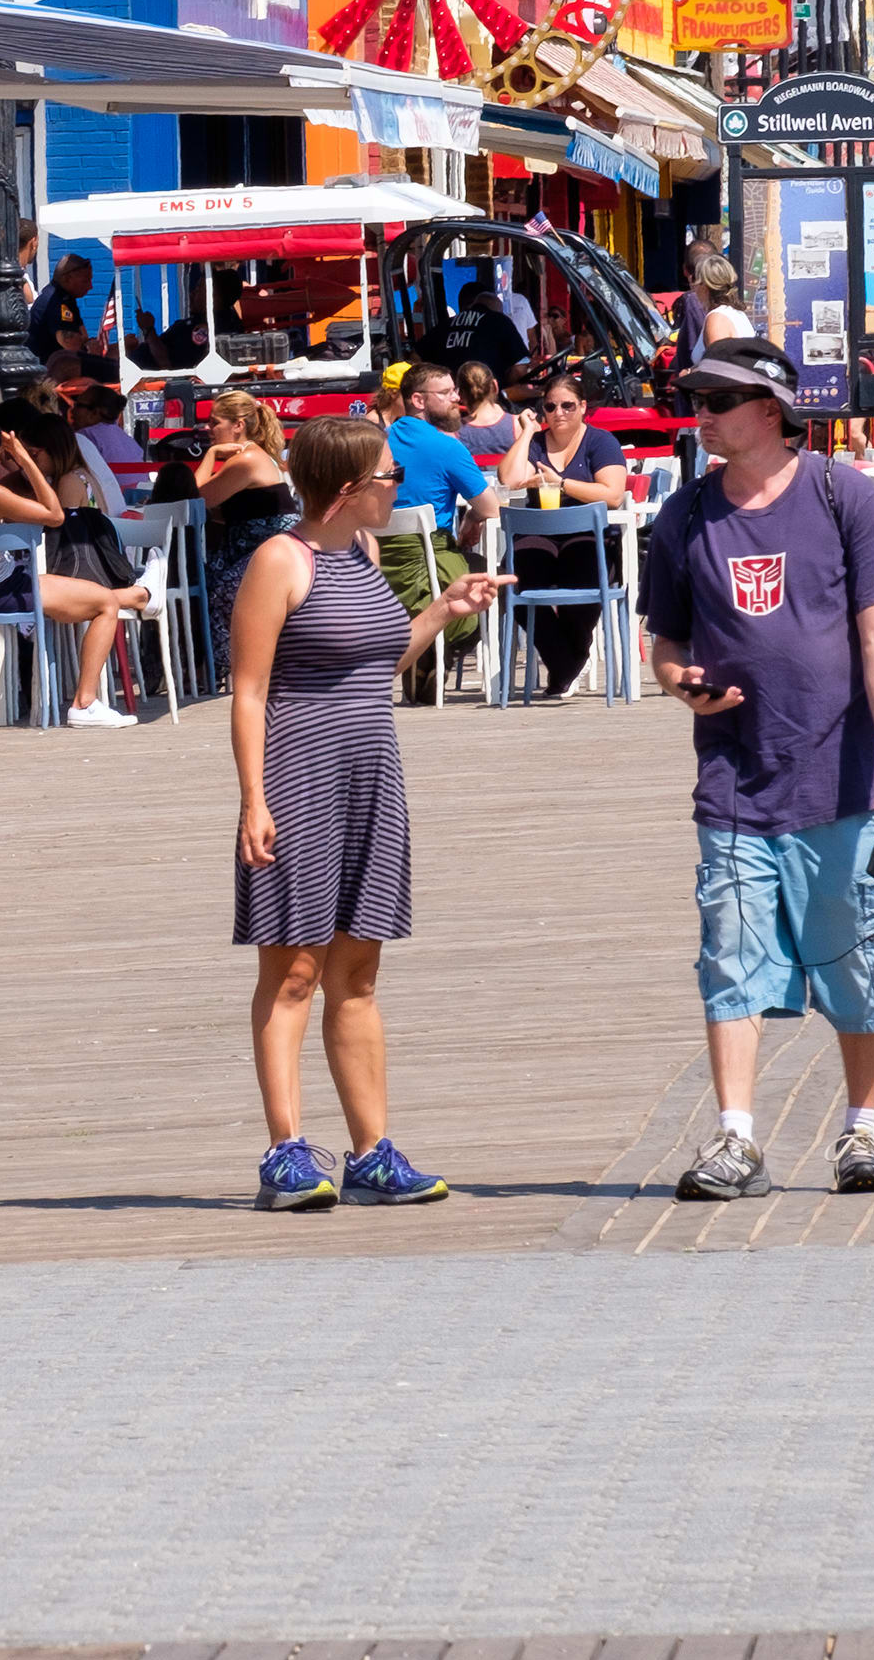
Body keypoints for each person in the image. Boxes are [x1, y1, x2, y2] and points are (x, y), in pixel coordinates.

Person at [641, 340, 874, 1203]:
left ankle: (862, 1133)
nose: (704, 413)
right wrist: (679, 684)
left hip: (838, 775)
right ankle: (736, 1139)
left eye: (721, 399)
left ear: (770, 409)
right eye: (698, 397)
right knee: (730, 954)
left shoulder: (843, 495)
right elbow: (665, 642)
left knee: (859, 955)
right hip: (733, 777)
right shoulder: (684, 517)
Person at [227, 414, 504, 1211]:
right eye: (388, 475)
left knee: (357, 971)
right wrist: (254, 798)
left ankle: (371, 1152)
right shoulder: (282, 559)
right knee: (293, 971)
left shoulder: (365, 553)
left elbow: (377, 657)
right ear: (347, 488)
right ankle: (284, 1150)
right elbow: (247, 690)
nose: (398, 486)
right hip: (297, 778)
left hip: (371, 779)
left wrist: (444, 609)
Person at [0, 417, 148, 726]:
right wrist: (26, 460)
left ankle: (137, 595)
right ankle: (84, 703)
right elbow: (55, 515)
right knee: (105, 603)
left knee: (65, 590)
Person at [512, 375, 636, 701]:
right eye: (550, 406)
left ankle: (565, 666)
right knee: (510, 581)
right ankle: (566, 663)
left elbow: (612, 494)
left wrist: (561, 483)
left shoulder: (600, 442)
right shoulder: (536, 443)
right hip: (540, 535)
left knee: (583, 586)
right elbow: (510, 478)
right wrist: (526, 433)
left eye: (567, 405)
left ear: (583, 407)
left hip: (588, 536)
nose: (558, 413)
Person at [379, 363, 496, 695]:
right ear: (418, 399)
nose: (457, 398)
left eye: (455, 391)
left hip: (379, 576)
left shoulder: (377, 442)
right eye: (445, 393)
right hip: (433, 569)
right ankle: (434, 650)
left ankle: (426, 653)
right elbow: (491, 508)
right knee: (491, 580)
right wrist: (472, 518)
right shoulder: (447, 447)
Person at [195, 391, 299, 665]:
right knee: (199, 579)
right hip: (258, 550)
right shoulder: (256, 456)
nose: (208, 429)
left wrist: (212, 454)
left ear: (238, 425)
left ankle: (221, 663)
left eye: (214, 422)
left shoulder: (247, 461)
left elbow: (195, 499)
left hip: (266, 556)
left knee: (208, 587)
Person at [26, 251, 99, 367]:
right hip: (47, 373)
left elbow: (83, 335)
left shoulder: (66, 298)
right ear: (68, 279)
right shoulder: (56, 302)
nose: (90, 286)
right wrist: (89, 348)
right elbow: (71, 345)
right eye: (85, 281)